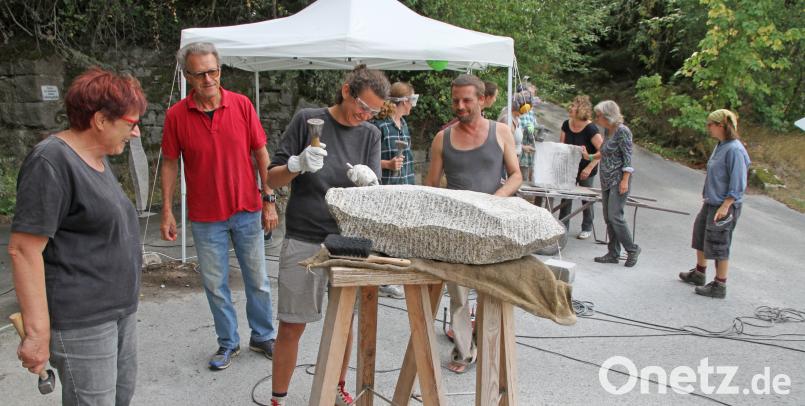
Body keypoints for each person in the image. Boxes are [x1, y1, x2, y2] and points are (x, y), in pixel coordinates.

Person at [9, 67, 146, 405]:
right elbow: (24, 251)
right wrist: (38, 334)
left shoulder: (97, 158)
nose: (134, 132)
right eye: (130, 123)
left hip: (118, 311)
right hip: (83, 320)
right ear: (100, 119)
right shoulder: (52, 161)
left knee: (119, 398)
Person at [267, 64, 389, 406]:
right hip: (305, 235)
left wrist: (371, 183)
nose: (364, 115)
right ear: (346, 90)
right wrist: (295, 165)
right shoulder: (308, 120)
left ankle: (335, 388)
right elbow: (271, 179)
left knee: (342, 323)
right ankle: (278, 399)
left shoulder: (370, 135)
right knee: (292, 324)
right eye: (362, 106)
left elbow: (375, 200)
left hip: (348, 241)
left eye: (373, 111)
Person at [160, 42, 278, 370]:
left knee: (258, 279)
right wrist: (167, 210)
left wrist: (269, 198)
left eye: (213, 71)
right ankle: (228, 342)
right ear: (188, 76)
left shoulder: (241, 105)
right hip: (204, 216)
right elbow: (169, 162)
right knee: (215, 284)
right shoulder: (176, 116)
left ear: (220, 70)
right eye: (200, 74)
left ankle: (263, 335)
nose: (209, 79)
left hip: (246, 208)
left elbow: (261, 153)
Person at [426, 74, 522, 374]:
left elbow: (516, 175)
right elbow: (430, 186)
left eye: (467, 100)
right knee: (457, 294)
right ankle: (464, 352)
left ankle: (487, 342)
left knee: (490, 291)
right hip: (457, 227)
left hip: (492, 224)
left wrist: (497, 198)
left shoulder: (501, 132)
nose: (460, 105)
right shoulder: (443, 138)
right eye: (456, 100)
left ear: (482, 99)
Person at [679, 109, 750, 298]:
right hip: (711, 202)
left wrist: (726, 205)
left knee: (719, 243)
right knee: (700, 233)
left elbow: (738, 182)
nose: (708, 128)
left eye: (710, 124)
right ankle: (699, 273)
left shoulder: (735, 149)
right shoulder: (721, 145)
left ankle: (720, 285)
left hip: (724, 205)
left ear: (721, 126)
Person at [370, 81, 418, 299]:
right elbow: (365, 159)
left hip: (404, 187)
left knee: (398, 234)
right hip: (387, 189)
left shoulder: (403, 124)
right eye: (412, 100)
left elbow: (406, 158)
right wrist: (387, 165)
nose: (414, 105)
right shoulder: (380, 126)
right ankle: (383, 280)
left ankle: (390, 276)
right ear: (404, 102)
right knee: (385, 234)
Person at [591, 100, 641, 267]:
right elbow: (605, 152)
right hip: (606, 179)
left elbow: (628, 158)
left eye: (598, 116)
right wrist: (589, 157)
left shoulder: (622, 131)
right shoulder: (608, 130)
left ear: (607, 116)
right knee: (608, 217)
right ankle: (613, 252)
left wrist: (625, 180)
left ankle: (632, 249)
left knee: (615, 216)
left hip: (619, 179)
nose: (596, 119)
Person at [559, 95, 603, 239]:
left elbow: (603, 151)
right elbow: (562, 147)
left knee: (586, 198)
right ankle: (562, 226)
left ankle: (587, 227)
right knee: (565, 196)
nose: (570, 108)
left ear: (581, 110)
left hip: (586, 167)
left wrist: (589, 168)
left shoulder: (591, 129)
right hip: (570, 167)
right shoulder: (566, 124)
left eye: (574, 106)